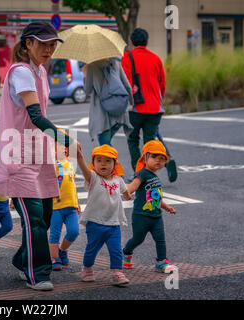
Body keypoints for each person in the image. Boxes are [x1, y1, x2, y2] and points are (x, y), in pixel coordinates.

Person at [0, 21, 78, 291]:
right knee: (34, 217)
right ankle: (37, 272)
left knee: (46, 215)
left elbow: (40, 118)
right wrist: (64, 138)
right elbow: (36, 115)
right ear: (28, 44)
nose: (49, 49)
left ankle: (21, 258)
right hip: (17, 152)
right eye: (43, 44)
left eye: (52, 45)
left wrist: (56, 141)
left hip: (39, 150)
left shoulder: (39, 71)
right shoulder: (22, 73)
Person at [76, 144, 132, 286]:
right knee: (92, 249)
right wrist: (79, 156)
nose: (103, 164)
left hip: (113, 224)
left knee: (116, 249)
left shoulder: (118, 180)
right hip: (95, 223)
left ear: (114, 164)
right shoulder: (93, 178)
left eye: (108, 161)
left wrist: (127, 195)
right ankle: (87, 268)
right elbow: (84, 169)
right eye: (99, 160)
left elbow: (125, 191)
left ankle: (117, 273)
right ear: (93, 163)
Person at [122, 140, 177, 273]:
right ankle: (126, 252)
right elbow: (133, 185)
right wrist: (127, 191)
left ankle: (161, 262)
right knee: (138, 239)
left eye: (162, 159)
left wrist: (166, 207)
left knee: (160, 239)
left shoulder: (155, 177)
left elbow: (156, 198)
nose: (158, 161)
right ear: (145, 158)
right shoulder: (142, 173)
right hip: (141, 215)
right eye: (154, 157)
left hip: (156, 216)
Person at [121, 28, 166, 172]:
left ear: (131, 42)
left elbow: (125, 83)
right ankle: (150, 173)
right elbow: (162, 84)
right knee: (150, 142)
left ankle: (138, 172)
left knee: (133, 140)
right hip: (154, 108)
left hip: (135, 108)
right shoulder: (156, 58)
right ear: (147, 41)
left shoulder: (127, 57)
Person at [84, 57, 133, 147]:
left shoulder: (92, 66)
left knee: (105, 147)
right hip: (119, 111)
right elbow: (127, 85)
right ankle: (112, 160)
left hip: (102, 113)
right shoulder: (116, 62)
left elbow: (87, 90)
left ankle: (112, 160)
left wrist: (86, 75)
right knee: (106, 144)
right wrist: (131, 103)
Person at [49, 142, 80, 271]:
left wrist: (77, 202)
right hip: (56, 206)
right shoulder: (50, 165)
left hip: (71, 206)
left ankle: (62, 250)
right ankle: (54, 258)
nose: (65, 150)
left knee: (74, 231)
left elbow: (72, 185)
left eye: (66, 148)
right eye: (61, 148)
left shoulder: (70, 164)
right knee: (54, 234)